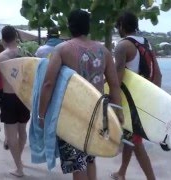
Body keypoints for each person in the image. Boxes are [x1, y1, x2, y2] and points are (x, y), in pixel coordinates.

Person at [38, 9, 123, 180]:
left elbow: (48, 83)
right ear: (88, 27)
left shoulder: (62, 49)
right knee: (90, 158)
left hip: (72, 114)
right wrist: (118, 114)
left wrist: (41, 114)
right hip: (97, 112)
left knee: (78, 164)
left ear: (70, 27)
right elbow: (114, 85)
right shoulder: (104, 51)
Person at [110, 12, 162, 180]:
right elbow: (158, 75)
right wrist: (153, 99)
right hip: (145, 99)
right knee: (131, 139)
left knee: (136, 144)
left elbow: (116, 81)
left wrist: (114, 105)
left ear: (122, 26)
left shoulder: (122, 46)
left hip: (130, 102)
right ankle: (122, 173)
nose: (117, 30)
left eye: (118, 27)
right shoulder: (147, 43)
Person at [0, 25, 30, 177]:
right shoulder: (27, 53)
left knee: (11, 134)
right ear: (16, 38)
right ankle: (20, 161)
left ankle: (19, 168)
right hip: (24, 97)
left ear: (3, 39)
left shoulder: (0, 57)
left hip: (9, 97)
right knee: (22, 130)